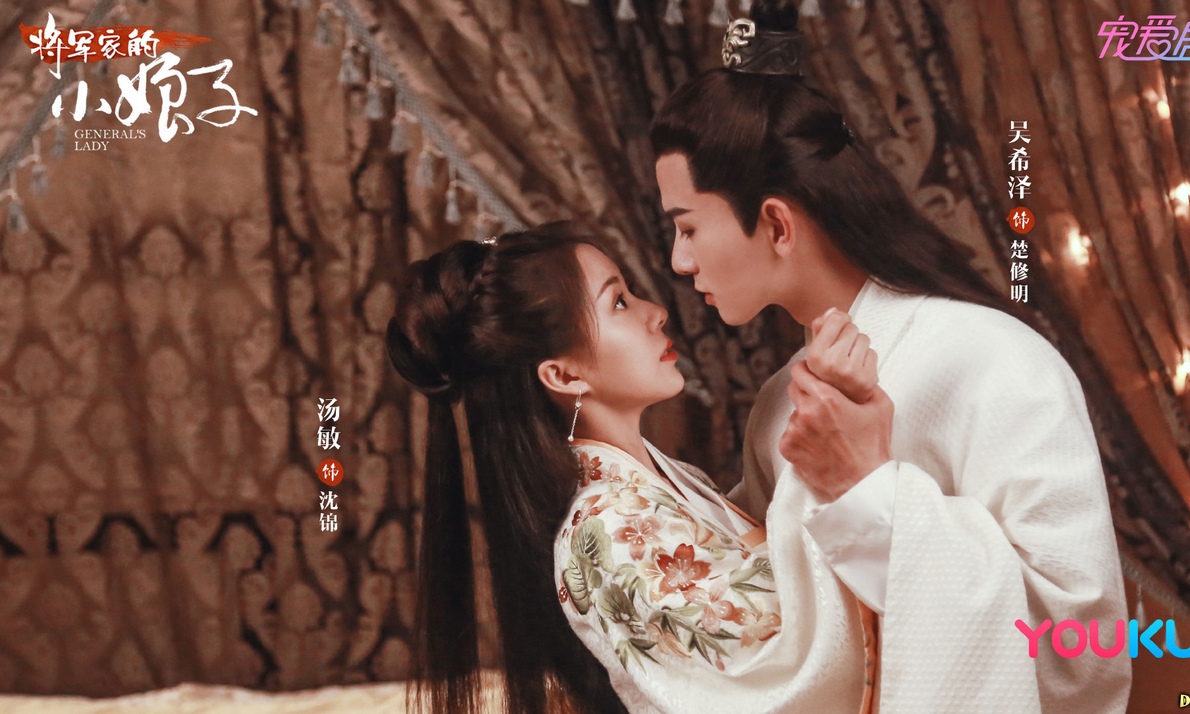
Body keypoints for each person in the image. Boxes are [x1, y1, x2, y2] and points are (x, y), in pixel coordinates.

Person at [649, 1, 1132, 712]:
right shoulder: (780, 405)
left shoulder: (994, 360)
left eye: (688, 228)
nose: (679, 261)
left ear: (776, 223)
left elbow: (1078, 649)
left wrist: (865, 486)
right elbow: (767, 629)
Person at [387, 224, 881, 714]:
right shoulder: (607, 528)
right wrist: (831, 453)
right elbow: (781, 664)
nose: (656, 312)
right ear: (564, 374)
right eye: (619, 302)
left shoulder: (660, 484)